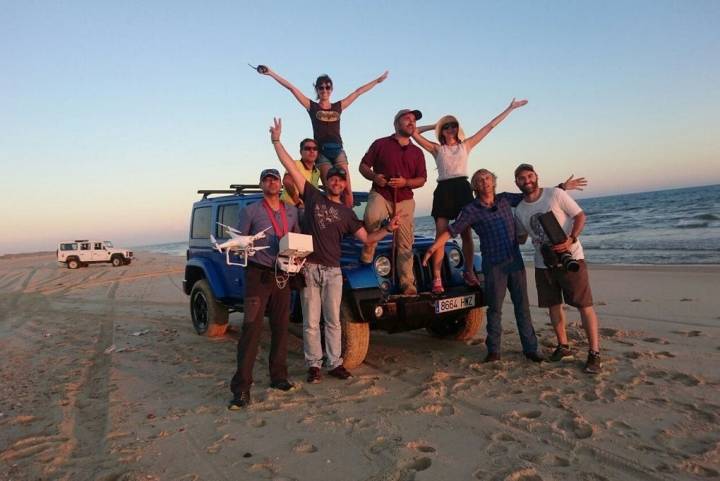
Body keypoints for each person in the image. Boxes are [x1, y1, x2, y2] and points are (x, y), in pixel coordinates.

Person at [270, 118, 399, 382]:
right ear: (326, 181)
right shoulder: (313, 196)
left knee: (333, 320)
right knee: (310, 322)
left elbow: (366, 238)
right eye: (333, 179)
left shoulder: (348, 214)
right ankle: (314, 366)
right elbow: (288, 167)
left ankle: (336, 363)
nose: (337, 183)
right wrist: (276, 141)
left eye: (341, 180)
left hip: (333, 271)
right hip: (310, 269)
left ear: (344, 185)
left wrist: (388, 228)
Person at [423, 169, 586, 363]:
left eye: (487, 178)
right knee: (495, 309)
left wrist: (561, 187)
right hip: (493, 265)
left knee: (522, 307)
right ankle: (493, 351)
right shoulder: (470, 210)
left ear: (493, 182)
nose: (484, 182)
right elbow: (452, 230)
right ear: (475, 187)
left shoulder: (505, 199)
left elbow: (531, 195)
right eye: (479, 180)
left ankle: (531, 349)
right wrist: (434, 247)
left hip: (514, 262)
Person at [412, 99, 528, 294]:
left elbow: (489, 127)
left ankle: (468, 271)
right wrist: (435, 125)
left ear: (458, 129)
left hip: (463, 188)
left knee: (466, 234)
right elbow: (414, 133)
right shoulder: (437, 149)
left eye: (453, 125)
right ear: (442, 131)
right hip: (444, 190)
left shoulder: (466, 145)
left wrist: (510, 108)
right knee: (441, 235)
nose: (450, 129)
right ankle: (437, 278)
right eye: (446, 126)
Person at [513, 163, 602, 374]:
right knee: (553, 305)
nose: (527, 181)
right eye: (522, 178)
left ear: (536, 176)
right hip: (543, 263)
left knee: (584, 305)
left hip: (571, 258)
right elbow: (521, 237)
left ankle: (594, 353)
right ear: (516, 183)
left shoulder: (555, 194)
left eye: (530, 176)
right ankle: (563, 346)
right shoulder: (519, 210)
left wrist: (571, 239)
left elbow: (580, 216)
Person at [258, 65, 389, 207]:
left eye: (328, 87)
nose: (324, 90)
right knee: (331, 190)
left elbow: (357, 92)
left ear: (331, 89)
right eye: (321, 87)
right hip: (322, 153)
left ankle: (348, 221)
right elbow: (291, 88)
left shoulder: (338, 106)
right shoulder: (312, 106)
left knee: (347, 191)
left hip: (338, 151)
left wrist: (377, 81)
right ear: (317, 90)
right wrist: (271, 73)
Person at [228, 168, 301, 410]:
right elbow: (238, 242)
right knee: (251, 330)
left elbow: (298, 237)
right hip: (258, 275)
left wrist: (299, 254)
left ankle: (278, 377)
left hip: (282, 275)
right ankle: (241, 389)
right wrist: (244, 246)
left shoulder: (291, 211)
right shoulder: (250, 211)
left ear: (281, 184)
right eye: (267, 179)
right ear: (261, 185)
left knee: (281, 328)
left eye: (275, 178)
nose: (272, 182)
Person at [358, 109, 427, 295]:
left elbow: (421, 179)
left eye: (414, 120)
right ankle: (368, 251)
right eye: (407, 119)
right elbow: (362, 166)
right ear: (396, 123)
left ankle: (407, 284)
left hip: (404, 199)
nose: (411, 122)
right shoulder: (380, 143)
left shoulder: (417, 152)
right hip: (380, 193)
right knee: (371, 217)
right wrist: (374, 176)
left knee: (405, 243)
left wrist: (406, 182)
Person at [280, 138, 321, 209]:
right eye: (308, 148)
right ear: (301, 152)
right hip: (289, 206)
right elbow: (287, 182)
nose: (312, 151)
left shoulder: (317, 171)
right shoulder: (295, 164)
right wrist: (297, 203)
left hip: (306, 208)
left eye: (315, 149)